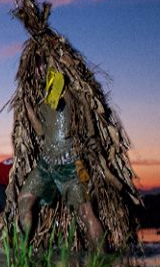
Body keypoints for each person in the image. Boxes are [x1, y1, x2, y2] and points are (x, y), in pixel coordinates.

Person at [16, 66, 105, 249]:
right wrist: (29, 109)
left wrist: (91, 139)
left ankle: (102, 260)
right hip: (46, 165)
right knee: (24, 200)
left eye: (44, 69)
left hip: (74, 165)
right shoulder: (44, 102)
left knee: (87, 212)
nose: (40, 73)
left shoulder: (75, 98)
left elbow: (89, 127)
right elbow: (41, 131)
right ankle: (22, 253)